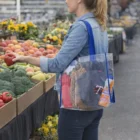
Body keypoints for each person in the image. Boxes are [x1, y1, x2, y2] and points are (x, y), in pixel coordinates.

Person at [13, 0, 108, 139]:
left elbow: (57, 64)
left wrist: (25, 58)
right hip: (96, 98)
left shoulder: (81, 27)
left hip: (77, 103)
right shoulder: (98, 24)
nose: (65, 0)